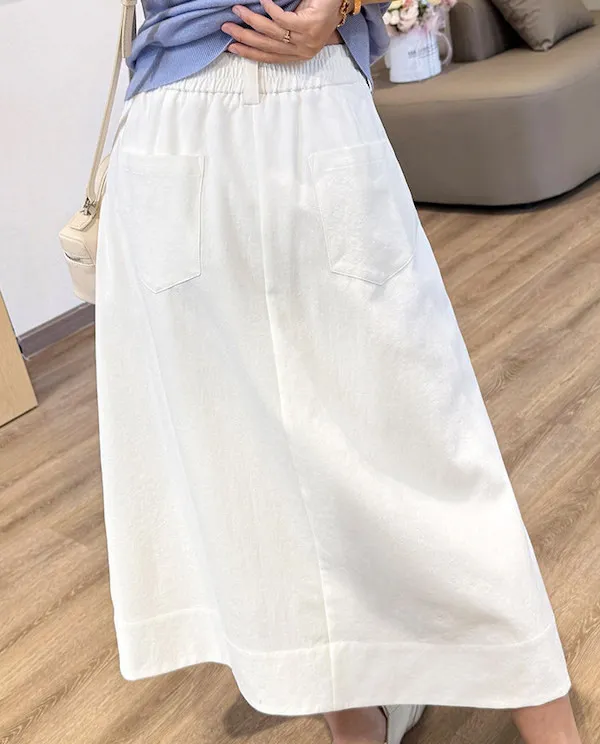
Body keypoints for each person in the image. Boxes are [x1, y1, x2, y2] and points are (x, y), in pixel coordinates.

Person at [95, 0, 582, 742]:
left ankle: (374, 721)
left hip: (204, 122)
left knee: (269, 458)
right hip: (272, 106)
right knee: (403, 448)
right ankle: (390, 719)